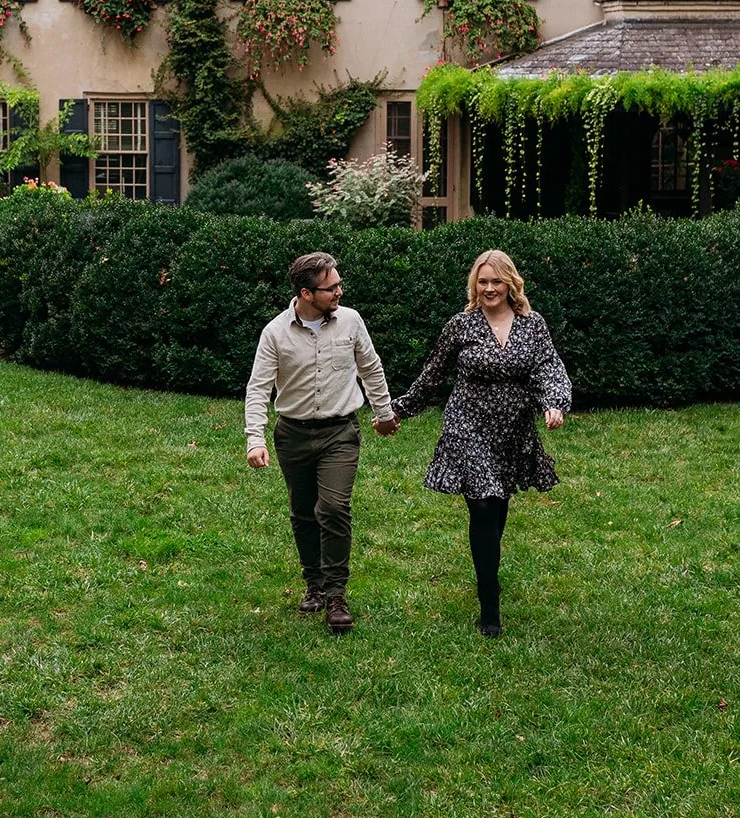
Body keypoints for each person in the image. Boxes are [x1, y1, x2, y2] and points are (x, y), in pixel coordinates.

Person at [392, 248, 570, 638]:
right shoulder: (462, 324)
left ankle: (488, 569)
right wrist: (399, 410)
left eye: (496, 281)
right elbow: (433, 374)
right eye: (482, 281)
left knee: (497, 505)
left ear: (511, 283)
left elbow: (549, 367)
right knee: (485, 503)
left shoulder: (532, 324)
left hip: (512, 430)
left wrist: (554, 403)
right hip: (467, 424)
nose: (489, 288)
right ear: (475, 284)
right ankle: (489, 601)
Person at [244, 251, 399, 634]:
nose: (339, 292)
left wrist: (383, 413)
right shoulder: (275, 332)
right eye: (331, 288)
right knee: (303, 511)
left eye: (339, 285)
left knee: (332, 507)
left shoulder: (351, 321)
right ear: (306, 293)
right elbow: (258, 388)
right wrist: (254, 439)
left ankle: (336, 594)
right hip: (293, 434)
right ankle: (313, 583)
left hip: (340, 432)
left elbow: (371, 367)